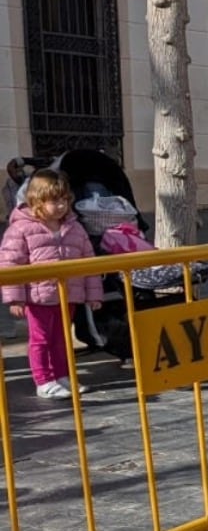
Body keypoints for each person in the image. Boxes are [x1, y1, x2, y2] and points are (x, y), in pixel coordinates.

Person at [0, 167, 102, 399]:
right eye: (54, 201)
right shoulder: (21, 228)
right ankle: (44, 380)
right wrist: (15, 298)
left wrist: (93, 294)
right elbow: (10, 263)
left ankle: (62, 375)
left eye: (65, 200)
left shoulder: (75, 227)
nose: (61, 206)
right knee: (41, 339)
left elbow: (89, 261)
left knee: (62, 338)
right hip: (38, 296)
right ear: (37, 201)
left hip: (68, 294)